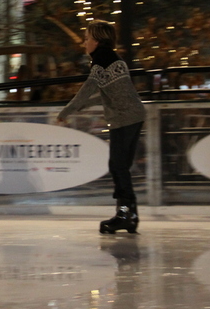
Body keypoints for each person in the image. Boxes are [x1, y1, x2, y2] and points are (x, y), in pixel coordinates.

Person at [57, 21, 146, 234]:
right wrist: (79, 108)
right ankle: (129, 213)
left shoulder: (101, 62)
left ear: (96, 40)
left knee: (118, 165)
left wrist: (65, 112)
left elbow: (86, 90)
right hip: (134, 116)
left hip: (124, 119)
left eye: (87, 39)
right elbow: (105, 93)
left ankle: (125, 213)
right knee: (120, 165)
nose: (85, 43)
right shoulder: (116, 60)